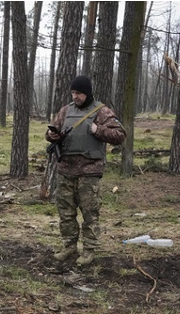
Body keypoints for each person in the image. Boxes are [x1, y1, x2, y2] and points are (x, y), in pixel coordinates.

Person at [45, 75, 126, 267]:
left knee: (90, 214)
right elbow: (53, 131)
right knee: (66, 214)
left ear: (87, 93)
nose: (75, 96)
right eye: (73, 93)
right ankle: (69, 246)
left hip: (89, 171)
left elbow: (120, 135)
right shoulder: (66, 110)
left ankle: (89, 249)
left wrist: (99, 131)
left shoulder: (102, 111)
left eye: (79, 93)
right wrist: (51, 134)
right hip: (65, 170)